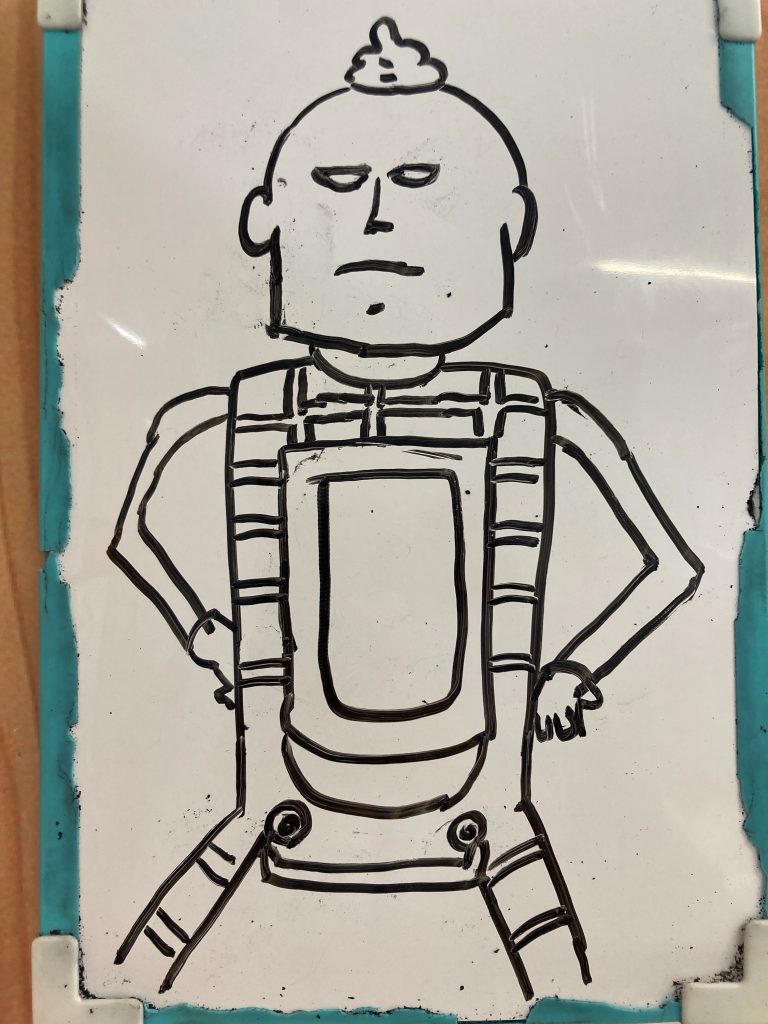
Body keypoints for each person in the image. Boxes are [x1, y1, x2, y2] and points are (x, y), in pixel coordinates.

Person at [109, 17, 703, 1001]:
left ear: (512, 226)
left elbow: (669, 565)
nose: (380, 219)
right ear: (264, 218)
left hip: (487, 803)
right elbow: (131, 533)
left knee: (569, 978)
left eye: (427, 185)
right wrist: (210, 634)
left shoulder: (532, 416)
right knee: (133, 978)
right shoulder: (226, 416)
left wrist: (571, 670)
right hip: (283, 789)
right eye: (340, 185)